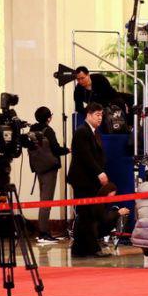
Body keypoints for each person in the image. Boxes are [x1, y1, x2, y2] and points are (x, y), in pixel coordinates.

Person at [67, 103, 109, 257]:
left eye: (101, 115)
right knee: (86, 214)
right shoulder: (82, 131)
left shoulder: (93, 132)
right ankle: (93, 248)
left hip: (89, 179)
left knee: (86, 214)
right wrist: (99, 172)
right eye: (97, 114)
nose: (100, 118)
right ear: (89, 114)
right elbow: (86, 156)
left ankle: (79, 249)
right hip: (82, 180)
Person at [30, 106, 70, 242]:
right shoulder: (48, 130)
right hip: (49, 169)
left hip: (39, 168)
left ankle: (43, 231)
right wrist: (68, 150)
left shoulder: (32, 130)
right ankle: (43, 233)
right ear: (48, 118)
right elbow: (56, 149)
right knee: (46, 201)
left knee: (43, 199)